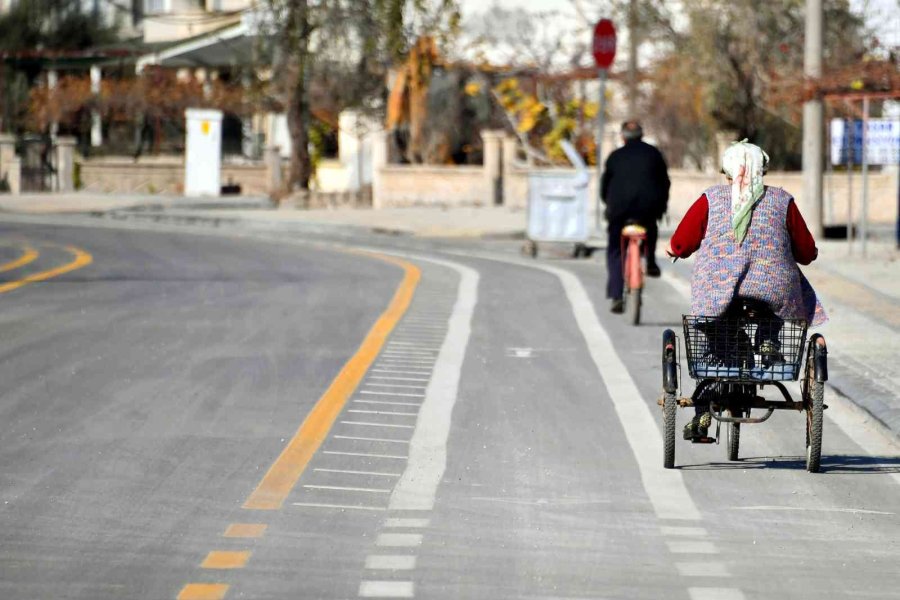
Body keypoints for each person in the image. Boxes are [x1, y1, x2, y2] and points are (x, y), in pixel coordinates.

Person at [665, 140, 827, 440]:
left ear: (726, 171)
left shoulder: (711, 198)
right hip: (772, 287)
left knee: (716, 332)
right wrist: (804, 254)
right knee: (780, 298)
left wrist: (675, 249)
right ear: (762, 169)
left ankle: (704, 410)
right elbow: (805, 251)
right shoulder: (782, 200)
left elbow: (683, 241)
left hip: (718, 288)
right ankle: (769, 340)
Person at [600, 121, 670, 313]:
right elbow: (665, 183)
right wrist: (662, 205)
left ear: (623, 137)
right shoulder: (654, 154)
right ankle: (651, 261)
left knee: (615, 249)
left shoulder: (615, 156)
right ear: (642, 135)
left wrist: (608, 204)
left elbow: (604, 186)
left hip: (619, 211)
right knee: (652, 228)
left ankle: (615, 294)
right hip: (648, 210)